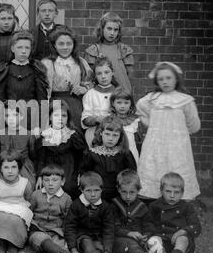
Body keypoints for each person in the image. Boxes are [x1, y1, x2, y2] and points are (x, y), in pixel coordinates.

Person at [137, 62, 201, 201]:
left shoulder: (184, 101)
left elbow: (194, 124)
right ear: (156, 81)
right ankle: (155, 200)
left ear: (176, 79)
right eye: (161, 79)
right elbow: (141, 110)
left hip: (177, 144)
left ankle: (176, 201)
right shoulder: (152, 99)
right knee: (156, 167)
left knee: (176, 167)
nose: (165, 82)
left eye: (168, 78)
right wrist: (153, 127)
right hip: (156, 143)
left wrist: (180, 134)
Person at [29, 164, 92, 253]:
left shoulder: (66, 199)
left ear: (62, 182)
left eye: (54, 180)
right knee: (41, 239)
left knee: (58, 246)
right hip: (38, 231)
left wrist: (67, 237)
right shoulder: (36, 195)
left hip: (57, 232)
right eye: (46, 180)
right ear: (42, 181)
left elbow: (69, 220)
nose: (50, 184)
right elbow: (29, 212)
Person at [41, 25, 93, 130]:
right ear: (54, 45)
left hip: (76, 104)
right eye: (61, 44)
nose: (65, 47)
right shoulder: (48, 63)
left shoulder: (81, 62)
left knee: (75, 134)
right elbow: (44, 90)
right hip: (55, 104)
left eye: (69, 43)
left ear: (74, 45)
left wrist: (84, 88)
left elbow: (91, 82)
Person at [149, 172, 202, 253]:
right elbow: (149, 223)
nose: (172, 196)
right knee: (153, 241)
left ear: (182, 193)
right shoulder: (154, 206)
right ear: (161, 190)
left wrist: (183, 231)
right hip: (162, 240)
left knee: (183, 239)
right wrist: (152, 235)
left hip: (180, 246)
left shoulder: (186, 207)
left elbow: (196, 226)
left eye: (177, 192)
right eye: (168, 191)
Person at [64, 171, 114, 253]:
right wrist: (73, 249)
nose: (93, 194)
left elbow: (109, 229)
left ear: (102, 190)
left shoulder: (106, 207)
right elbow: (70, 227)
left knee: (99, 249)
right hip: (82, 237)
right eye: (88, 191)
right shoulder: (76, 205)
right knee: (88, 245)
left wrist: (107, 252)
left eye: (96, 190)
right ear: (81, 190)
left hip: (98, 238)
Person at [35, 101, 86, 200]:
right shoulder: (45, 135)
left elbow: (80, 157)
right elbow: (41, 159)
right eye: (56, 115)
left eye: (64, 116)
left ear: (68, 118)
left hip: (68, 167)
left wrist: (79, 173)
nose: (60, 119)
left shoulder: (73, 135)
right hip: (49, 167)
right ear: (50, 117)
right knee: (45, 187)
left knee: (68, 187)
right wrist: (40, 176)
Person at [0, 149, 33, 253]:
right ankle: (1, 244)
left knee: (15, 219)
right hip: (0, 205)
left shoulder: (25, 183)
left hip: (18, 206)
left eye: (14, 167)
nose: (10, 171)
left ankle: (14, 244)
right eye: (6, 167)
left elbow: (29, 200)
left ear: (19, 168)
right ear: (0, 168)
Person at [80, 116, 136, 201]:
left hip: (119, 196)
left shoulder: (124, 153)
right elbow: (85, 175)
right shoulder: (92, 153)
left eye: (115, 135)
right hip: (97, 196)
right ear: (101, 133)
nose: (110, 138)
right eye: (107, 134)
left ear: (120, 136)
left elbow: (131, 174)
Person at [111, 169, 155, 253]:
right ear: (118, 189)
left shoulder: (142, 207)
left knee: (151, 243)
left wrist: (146, 235)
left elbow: (149, 224)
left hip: (139, 239)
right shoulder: (114, 205)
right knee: (132, 246)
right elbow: (112, 226)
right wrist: (128, 233)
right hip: (119, 240)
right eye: (124, 192)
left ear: (138, 190)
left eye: (132, 192)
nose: (128, 196)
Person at [85, 12, 134, 93]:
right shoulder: (94, 50)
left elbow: (129, 75)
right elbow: (90, 77)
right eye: (109, 28)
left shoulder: (123, 50)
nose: (112, 33)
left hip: (122, 94)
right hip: (101, 93)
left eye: (115, 30)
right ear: (102, 28)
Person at [0, 106, 37, 189]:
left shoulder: (28, 134)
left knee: (27, 186)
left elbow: (33, 154)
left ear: (21, 116)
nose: (11, 119)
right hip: (4, 164)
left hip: (23, 166)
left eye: (15, 115)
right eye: (7, 116)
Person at [81, 56, 117, 147]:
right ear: (95, 76)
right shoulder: (90, 94)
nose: (103, 76)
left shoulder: (119, 93)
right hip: (94, 133)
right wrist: (97, 119)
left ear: (112, 72)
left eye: (106, 72)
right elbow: (85, 119)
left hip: (115, 133)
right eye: (99, 73)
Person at [109, 88, 144, 165]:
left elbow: (139, 142)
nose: (122, 106)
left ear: (131, 104)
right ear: (113, 103)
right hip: (114, 156)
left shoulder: (135, 121)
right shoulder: (108, 121)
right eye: (119, 102)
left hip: (132, 154)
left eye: (126, 103)